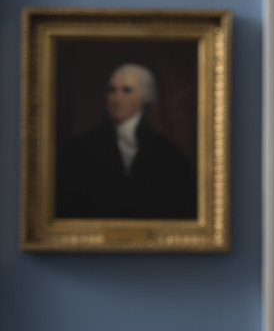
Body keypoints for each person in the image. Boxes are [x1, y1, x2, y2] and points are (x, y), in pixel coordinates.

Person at [56, 63, 196, 219]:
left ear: (145, 97)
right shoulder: (80, 149)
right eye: (112, 90)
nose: (117, 98)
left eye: (126, 90)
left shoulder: (167, 153)